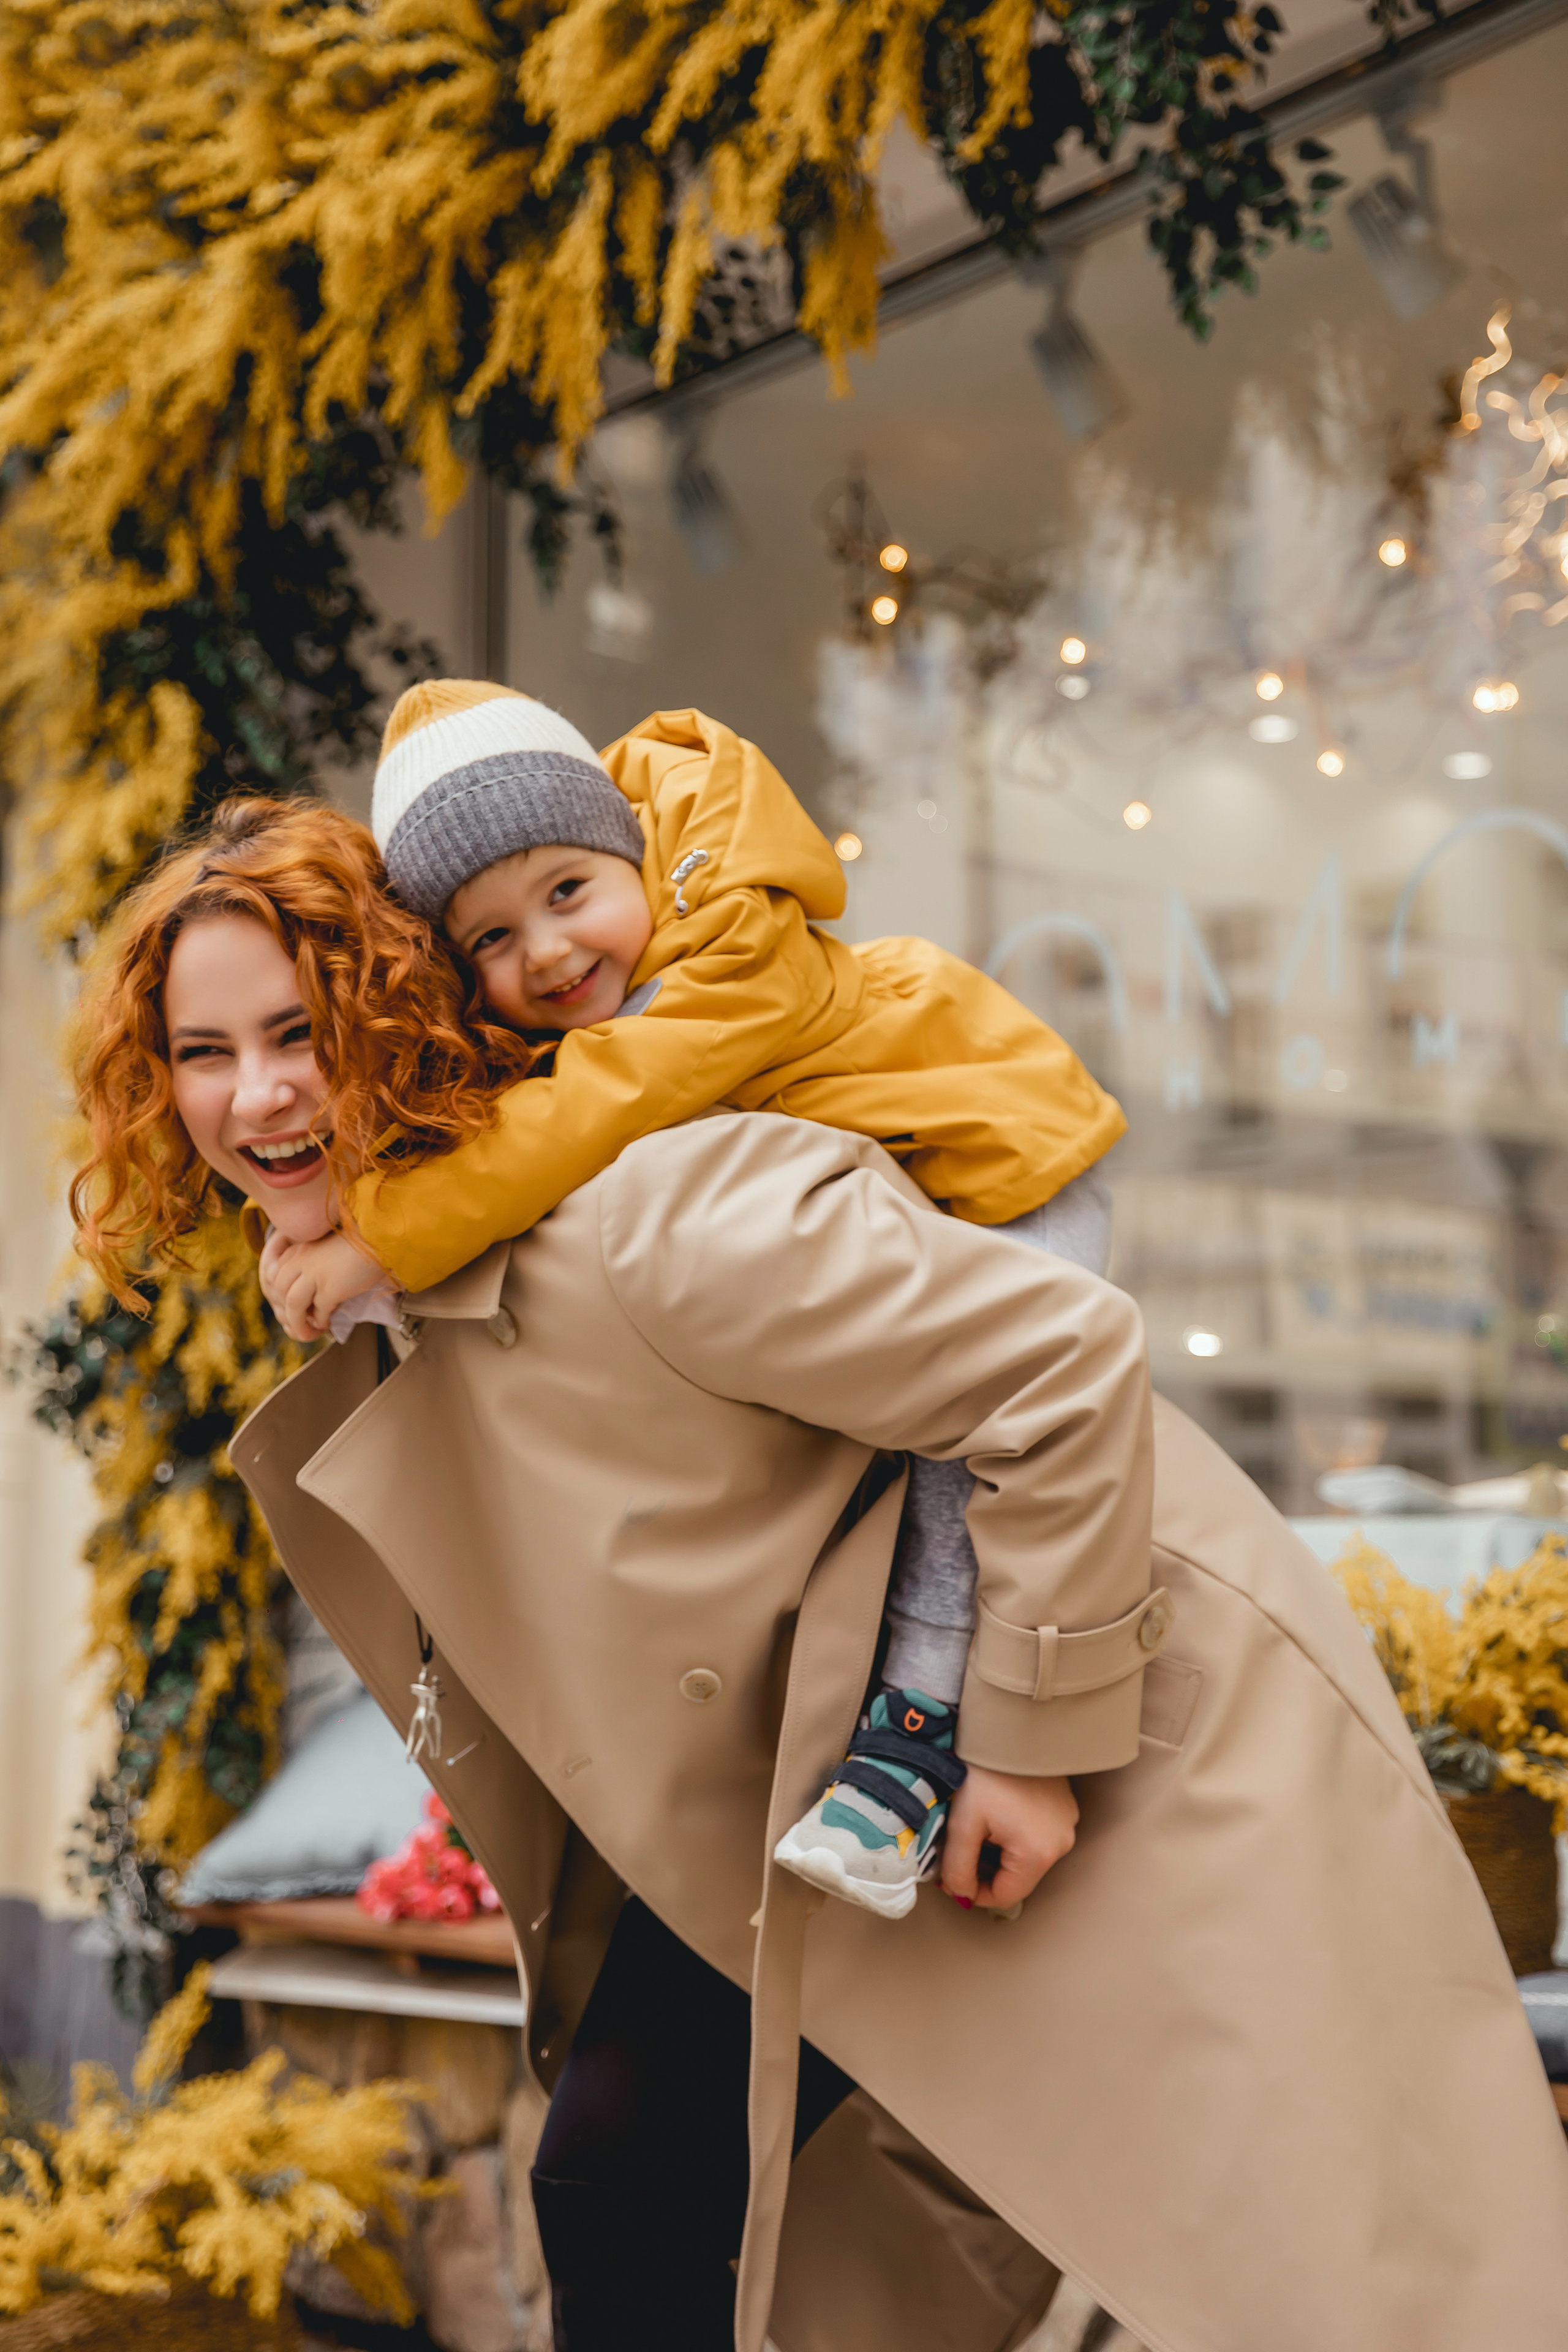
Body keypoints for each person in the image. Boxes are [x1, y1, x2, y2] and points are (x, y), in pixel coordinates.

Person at [70, 798, 1568, 2352]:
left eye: (300, 1030)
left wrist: (1023, 1741)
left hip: (1108, 1742)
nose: (257, 1095)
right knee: (674, 2210)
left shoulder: (646, 1216)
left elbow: (1059, 1359)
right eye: (201, 1051)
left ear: (397, 1014)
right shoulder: (398, 1275)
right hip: (835, 1807)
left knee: (1327, 2278)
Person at [257, 680, 1129, 1917]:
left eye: (567, 891)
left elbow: (580, 1117)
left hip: (1015, 1160)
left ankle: (921, 1728)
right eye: (488, 940)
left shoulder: (722, 954)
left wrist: (380, 1236)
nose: (547, 952)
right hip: (924, 1176)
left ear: (637, 853)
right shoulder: (615, 1019)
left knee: (970, 1444)